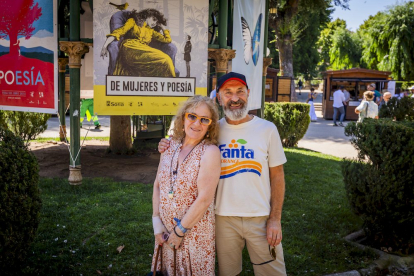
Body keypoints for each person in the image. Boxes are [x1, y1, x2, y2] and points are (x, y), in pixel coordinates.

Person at [159, 72, 288, 276]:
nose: (235, 98)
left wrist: (275, 218)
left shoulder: (267, 129)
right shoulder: (210, 129)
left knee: (273, 273)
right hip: (222, 219)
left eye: (240, 92)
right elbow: (185, 143)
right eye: (228, 93)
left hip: (260, 218)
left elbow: (278, 177)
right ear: (219, 97)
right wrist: (166, 143)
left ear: (248, 94)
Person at [152, 96, 221, 275]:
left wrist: (179, 232)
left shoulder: (210, 152)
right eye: (192, 116)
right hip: (165, 233)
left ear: (210, 126)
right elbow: (157, 185)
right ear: (183, 117)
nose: (197, 123)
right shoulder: (168, 145)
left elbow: (205, 199)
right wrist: (156, 224)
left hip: (193, 236)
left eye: (204, 119)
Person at [100, 9, 175, 77]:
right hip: (130, 48)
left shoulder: (151, 31)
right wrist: (105, 46)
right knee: (165, 59)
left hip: (143, 50)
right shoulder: (133, 21)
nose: (154, 23)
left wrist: (163, 28)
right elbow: (118, 32)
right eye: (154, 19)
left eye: (157, 22)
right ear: (147, 15)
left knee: (166, 60)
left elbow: (167, 40)